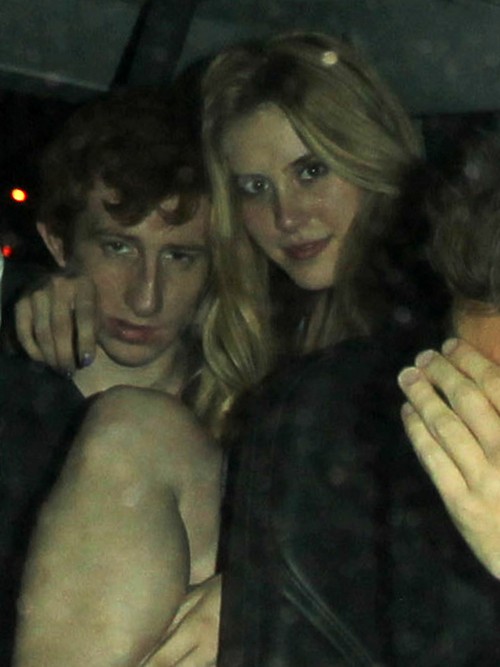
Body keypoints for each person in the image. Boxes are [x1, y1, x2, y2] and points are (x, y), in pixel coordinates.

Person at [2, 85, 224, 666]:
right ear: (58, 243)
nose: (146, 297)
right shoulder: (13, 403)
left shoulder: (263, 424)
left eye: (179, 257)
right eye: (119, 248)